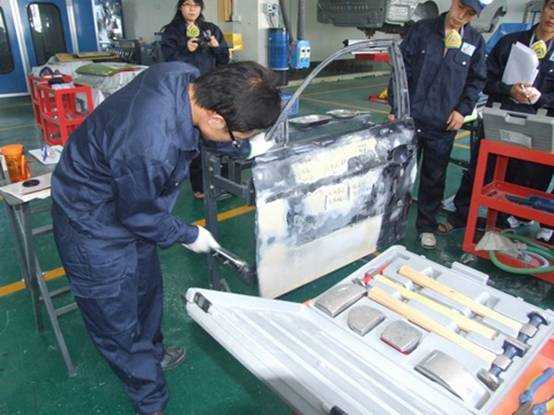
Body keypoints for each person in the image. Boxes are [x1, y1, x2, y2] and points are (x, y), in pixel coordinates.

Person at [51, 61, 281, 415]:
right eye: (242, 135)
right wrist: (187, 233)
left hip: (130, 196)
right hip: (92, 220)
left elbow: (195, 136)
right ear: (216, 120)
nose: (242, 140)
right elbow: (137, 214)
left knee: (146, 291)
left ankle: (153, 355)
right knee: (117, 320)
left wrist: (242, 149)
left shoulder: (184, 77)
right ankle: (150, 401)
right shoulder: (150, 145)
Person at [442, 0, 554, 233]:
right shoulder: (509, 42)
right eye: (552, 7)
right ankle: (462, 213)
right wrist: (508, 90)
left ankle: (505, 221)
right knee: (482, 167)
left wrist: (540, 98)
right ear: (543, 8)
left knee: (524, 174)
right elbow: (484, 79)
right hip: (500, 115)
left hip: (538, 121)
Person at [389, 0, 487, 249]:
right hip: (409, 119)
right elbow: (401, 69)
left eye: (469, 14)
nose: (461, 16)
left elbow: (476, 80)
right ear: (454, 2)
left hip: (442, 123)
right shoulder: (422, 30)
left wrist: (462, 111)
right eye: (461, 7)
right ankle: (388, 224)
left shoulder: (474, 41)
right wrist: (395, 107)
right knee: (398, 175)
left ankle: (426, 226)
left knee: (434, 177)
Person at [161, 0, 230, 199]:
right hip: (187, 93)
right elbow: (167, 62)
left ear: (201, 8)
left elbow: (224, 59)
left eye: (196, 5)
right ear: (180, 7)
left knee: (219, 133)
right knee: (195, 140)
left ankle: (225, 181)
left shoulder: (211, 29)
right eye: (187, 4)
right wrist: (185, 50)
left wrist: (216, 47)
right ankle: (200, 187)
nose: (192, 9)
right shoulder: (171, 32)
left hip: (211, 90)